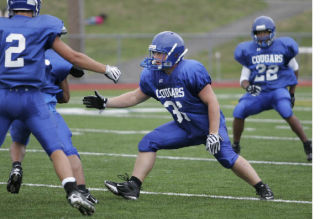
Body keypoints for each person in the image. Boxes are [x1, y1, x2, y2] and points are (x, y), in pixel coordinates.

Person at [83, 31, 274, 201]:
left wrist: (214, 133)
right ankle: (133, 187)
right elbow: (135, 96)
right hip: (184, 127)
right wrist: (106, 102)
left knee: (227, 158)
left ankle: (261, 187)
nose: (155, 57)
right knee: (148, 142)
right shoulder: (151, 75)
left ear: (174, 54)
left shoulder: (190, 70)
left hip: (208, 125)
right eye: (154, 53)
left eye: (160, 53)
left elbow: (212, 102)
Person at [0, 0, 120, 215]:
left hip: (3, 96)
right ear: (35, 6)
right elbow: (73, 57)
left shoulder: (2, 25)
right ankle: (72, 189)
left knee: (18, 142)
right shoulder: (44, 26)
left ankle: (17, 166)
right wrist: (105, 69)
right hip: (33, 99)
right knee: (56, 149)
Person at [7, 49, 98, 206]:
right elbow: (65, 97)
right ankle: (81, 190)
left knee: (19, 141)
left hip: (17, 105)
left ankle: (16, 166)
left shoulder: (14, 52)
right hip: (43, 111)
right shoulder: (57, 57)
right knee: (66, 150)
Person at [231, 16, 312, 161]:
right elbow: (243, 78)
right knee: (239, 111)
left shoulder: (283, 47)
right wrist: (249, 88)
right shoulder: (249, 51)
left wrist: (291, 93)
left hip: (278, 91)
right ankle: (235, 145)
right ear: (254, 34)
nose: (262, 36)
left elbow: (295, 69)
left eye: (265, 32)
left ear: (272, 32)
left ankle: (307, 144)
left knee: (287, 112)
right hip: (259, 93)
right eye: (259, 33)